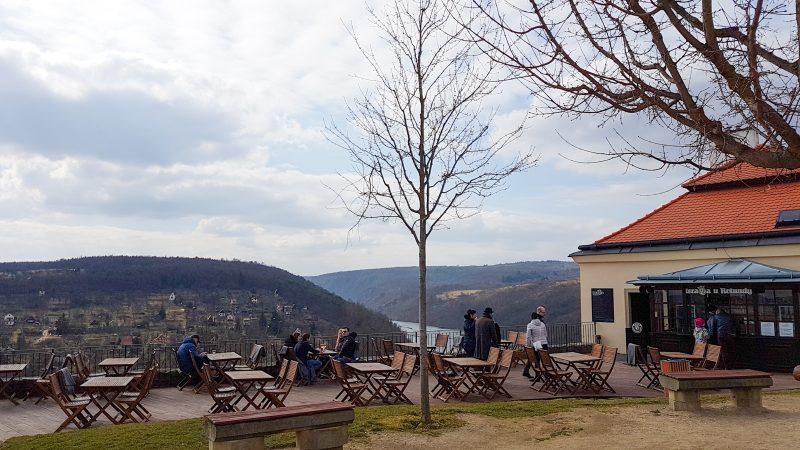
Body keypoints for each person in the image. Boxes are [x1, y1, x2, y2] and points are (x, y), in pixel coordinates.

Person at [523, 306, 548, 377]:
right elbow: (546, 334)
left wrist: (528, 345)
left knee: (537, 359)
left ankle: (537, 376)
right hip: (544, 342)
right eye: (543, 312)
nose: (544, 314)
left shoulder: (530, 325)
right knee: (545, 360)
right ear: (539, 312)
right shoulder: (542, 323)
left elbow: (528, 337)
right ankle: (547, 375)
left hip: (536, 343)